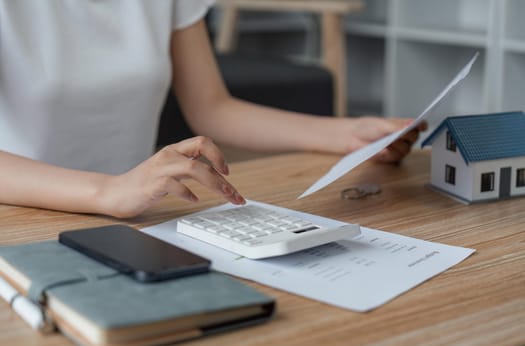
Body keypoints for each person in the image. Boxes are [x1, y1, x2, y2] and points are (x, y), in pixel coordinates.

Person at [0, 1, 426, 219]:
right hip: (23, 215)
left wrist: (349, 135)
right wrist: (109, 191)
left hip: (140, 214)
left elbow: (213, 108)